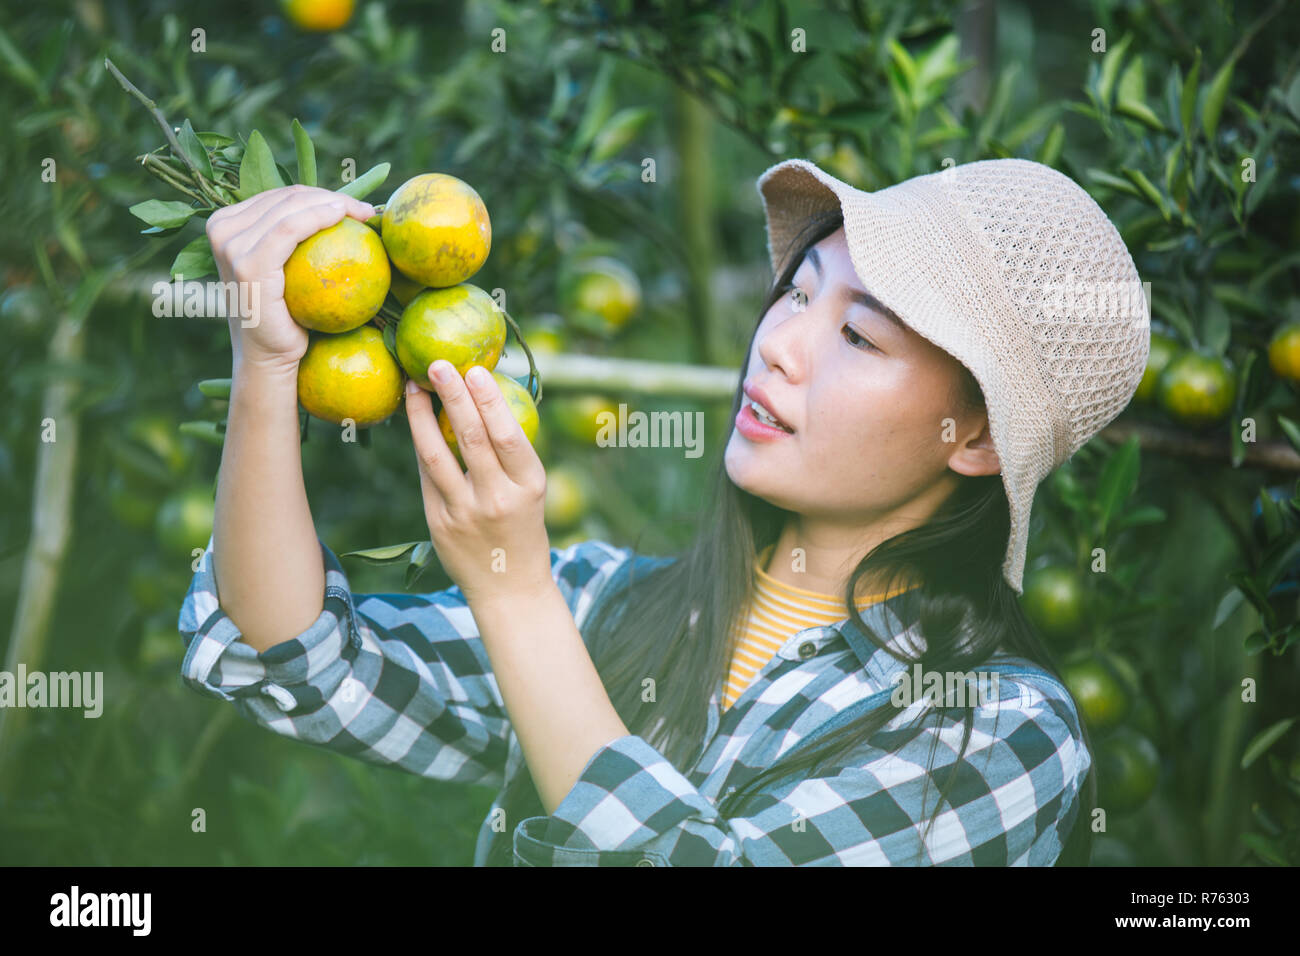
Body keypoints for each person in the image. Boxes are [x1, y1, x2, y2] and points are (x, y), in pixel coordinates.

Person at [179, 156, 1149, 865]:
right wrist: (265, 364)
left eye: (857, 334)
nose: (779, 345)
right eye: (795, 293)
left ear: (973, 437)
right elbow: (294, 658)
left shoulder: (998, 734)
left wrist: (513, 592)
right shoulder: (605, 602)